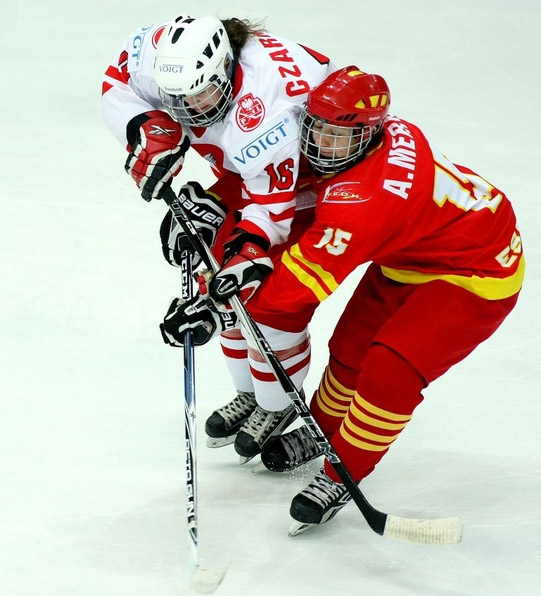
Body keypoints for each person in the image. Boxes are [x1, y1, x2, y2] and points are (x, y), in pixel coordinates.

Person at [160, 66, 525, 534]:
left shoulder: (371, 197)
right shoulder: (354, 144)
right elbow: (288, 172)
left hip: (475, 273)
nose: (317, 143)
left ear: (369, 134)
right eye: (314, 128)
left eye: (333, 135)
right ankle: (323, 433)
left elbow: (295, 283)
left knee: (389, 370)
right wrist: (217, 200)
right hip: (414, 254)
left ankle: (342, 471)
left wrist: (214, 309)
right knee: (349, 350)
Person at [102, 14, 336, 459]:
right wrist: (143, 128)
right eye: (176, 98)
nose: (187, 110)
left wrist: (234, 224)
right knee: (217, 275)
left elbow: (270, 207)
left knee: (263, 303)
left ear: (227, 67)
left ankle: (277, 403)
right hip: (252, 176)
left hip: (312, 181)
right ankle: (251, 391)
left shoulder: (268, 112)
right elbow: (118, 78)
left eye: (200, 93)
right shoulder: (162, 57)